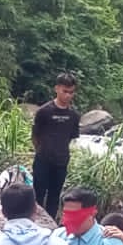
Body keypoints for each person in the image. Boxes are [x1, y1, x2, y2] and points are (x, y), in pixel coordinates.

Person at [31, 73, 82, 220]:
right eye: (65, 91)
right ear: (57, 89)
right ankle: (36, 223)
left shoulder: (73, 115)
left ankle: (51, 222)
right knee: (38, 195)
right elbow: (35, 135)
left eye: (71, 92)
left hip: (61, 161)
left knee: (55, 196)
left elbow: (71, 137)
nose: (68, 95)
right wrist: (42, 151)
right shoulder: (44, 112)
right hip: (43, 160)